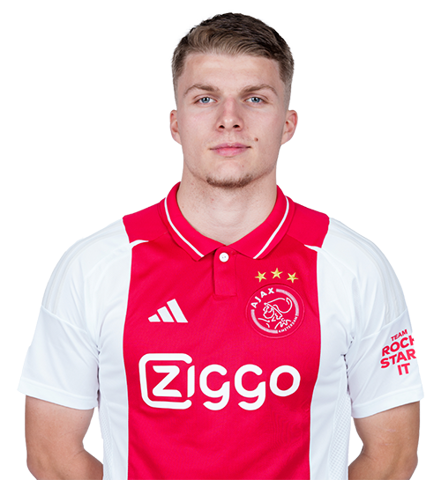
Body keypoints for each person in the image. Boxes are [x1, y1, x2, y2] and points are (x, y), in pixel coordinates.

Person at [17, 9, 425, 480]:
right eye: (205, 98)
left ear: (289, 124)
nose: (229, 119)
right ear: (175, 123)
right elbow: (51, 456)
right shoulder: (93, 264)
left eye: (255, 98)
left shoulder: (355, 264)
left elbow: (393, 457)